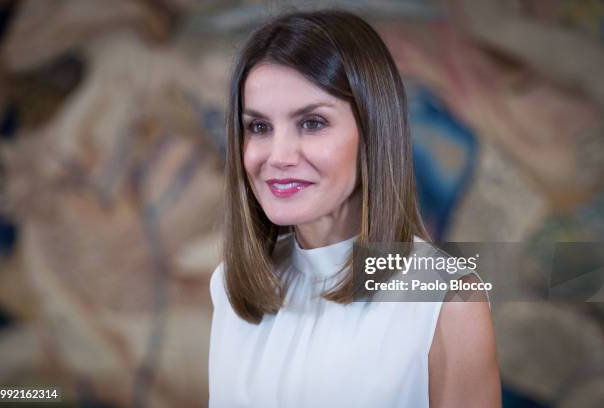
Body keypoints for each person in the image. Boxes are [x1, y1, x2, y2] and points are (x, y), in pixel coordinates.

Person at [208, 9, 501, 407]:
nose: (278, 156)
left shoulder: (447, 297)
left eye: (311, 123)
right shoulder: (228, 286)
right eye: (259, 127)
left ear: (373, 133)